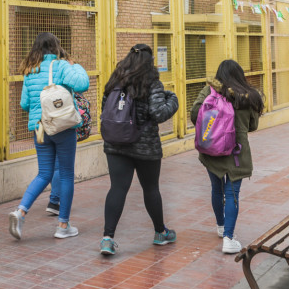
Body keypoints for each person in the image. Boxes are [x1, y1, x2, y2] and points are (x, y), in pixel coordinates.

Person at [98, 44, 180, 256]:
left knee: (117, 188)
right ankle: (160, 232)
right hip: (145, 146)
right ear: (149, 62)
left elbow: (105, 108)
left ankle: (107, 239)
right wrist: (173, 100)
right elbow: (159, 112)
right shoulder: (152, 82)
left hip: (115, 144)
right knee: (151, 188)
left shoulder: (114, 81)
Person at [9, 32, 89, 240]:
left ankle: (21, 211)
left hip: (40, 127)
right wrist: (74, 65)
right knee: (66, 174)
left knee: (44, 173)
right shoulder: (62, 66)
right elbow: (82, 84)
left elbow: (24, 104)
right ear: (56, 47)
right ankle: (63, 225)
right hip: (62, 127)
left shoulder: (30, 70)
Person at [190, 59, 264, 255]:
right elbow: (252, 126)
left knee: (216, 188)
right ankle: (229, 239)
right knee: (232, 194)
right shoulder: (248, 96)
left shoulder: (209, 91)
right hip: (236, 153)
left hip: (212, 150)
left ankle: (221, 226)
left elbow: (194, 114)